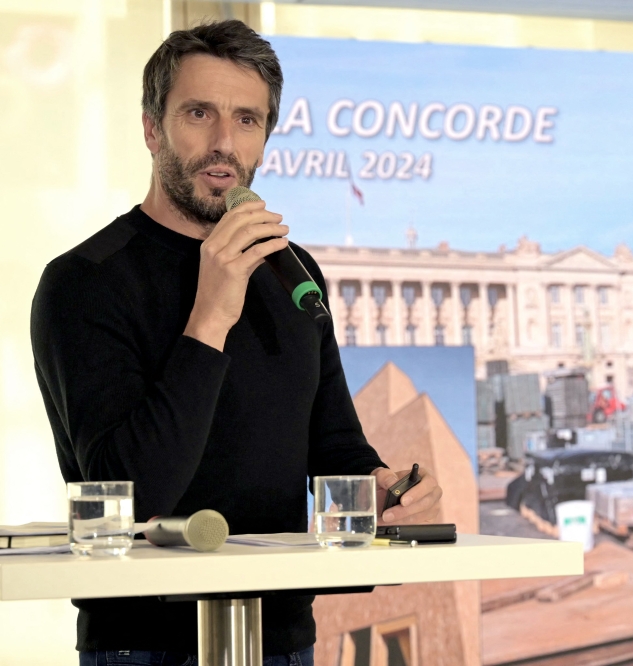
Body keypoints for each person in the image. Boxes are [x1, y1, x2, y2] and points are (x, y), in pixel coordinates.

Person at [30, 19, 442, 666]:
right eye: (200, 113)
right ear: (150, 128)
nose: (224, 142)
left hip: (279, 636)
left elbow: (334, 446)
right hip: (143, 645)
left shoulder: (291, 272)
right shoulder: (84, 282)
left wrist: (386, 488)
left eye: (248, 120)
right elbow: (125, 493)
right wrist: (211, 315)